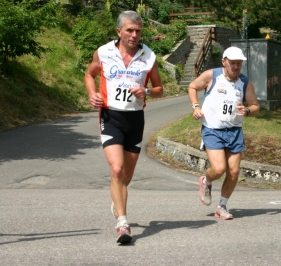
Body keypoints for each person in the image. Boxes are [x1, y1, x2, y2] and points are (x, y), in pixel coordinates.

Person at [84, 10, 163, 244]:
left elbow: (160, 89)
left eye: (138, 31)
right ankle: (123, 224)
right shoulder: (104, 52)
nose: (134, 35)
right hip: (111, 117)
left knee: (126, 176)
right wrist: (92, 94)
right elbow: (90, 74)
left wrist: (146, 90)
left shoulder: (149, 56)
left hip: (135, 119)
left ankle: (117, 198)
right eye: (129, 30)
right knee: (116, 170)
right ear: (119, 31)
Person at [188, 46, 260, 220]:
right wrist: (196, 106)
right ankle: (206, 181)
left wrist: (248, 110)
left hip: (234, 131)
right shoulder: (212, 75)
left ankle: (221, 205)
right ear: (224, 62)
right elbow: (192, 87)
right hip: (213, 130)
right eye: (233, 63)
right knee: (219, 169)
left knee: (234, 172)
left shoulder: (245, 82)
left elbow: (255, 105)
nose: (236, 67)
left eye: (239, 64)